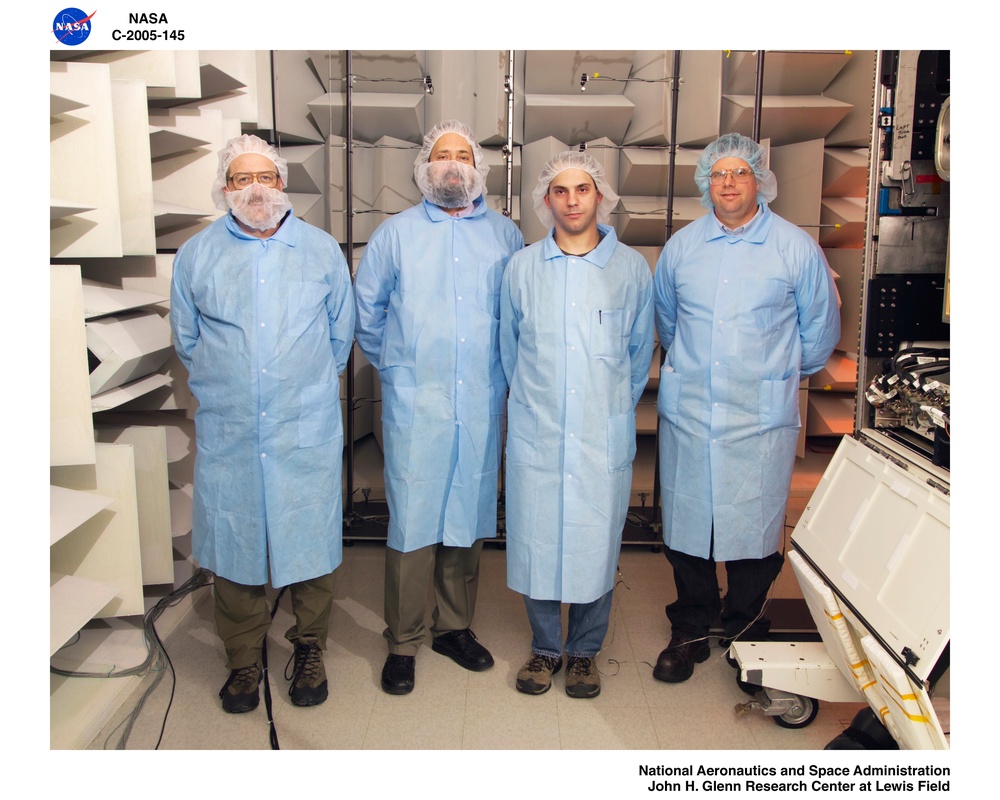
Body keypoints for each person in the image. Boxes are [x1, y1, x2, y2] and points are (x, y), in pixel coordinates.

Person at [170, 134, 355, 713]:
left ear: (282, 183)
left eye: (266, 177)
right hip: (233, 430)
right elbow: (187, 338)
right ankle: (243, 660)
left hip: (306, 427)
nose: (255, 188)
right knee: (235, 546)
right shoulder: (197, 254)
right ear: (225, 189)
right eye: (241, 178)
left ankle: (309, 648)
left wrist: (298, 387)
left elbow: (339, 336)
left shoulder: (321, 250)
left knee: (310, 543)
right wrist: (235, 384)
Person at [651, 132, 840, 684]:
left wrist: (767, 376)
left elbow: (820, 334)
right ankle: (690, 628)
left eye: (739, 172)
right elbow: (668, 323)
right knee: (687, 527)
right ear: (704, 182)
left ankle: (745, 628)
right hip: (691, 414)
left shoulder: (794, 247)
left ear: (760, 180)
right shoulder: (682, 248)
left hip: (758, 417)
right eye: (718, 174)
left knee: (754, 529)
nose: (728, 183)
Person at [354, 120, 523, 694]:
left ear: (478, 168)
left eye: (463, 155)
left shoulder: (505, 235)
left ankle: (454, 628)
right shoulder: (395, 234)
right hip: (415, 402)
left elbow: (519, 316)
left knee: (468, 516)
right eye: (442, 155)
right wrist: (402, 369)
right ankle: (402, 640)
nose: (452, 164)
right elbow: (367, 315)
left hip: (480, 398)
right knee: (412, 520)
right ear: (425, 167)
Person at [500, 151, 654, 698]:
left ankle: (584, 651)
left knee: (596, 541)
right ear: (547, 200)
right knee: (536, 539)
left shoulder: (631, 269)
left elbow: (638, 356)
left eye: (582, 189)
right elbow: (507, 352)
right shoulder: (521, 269)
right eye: (560, 191)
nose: (571, 200)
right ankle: (544, 649)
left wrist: (605, 406)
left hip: (598, 435)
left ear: (600, 196)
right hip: (538, 430)